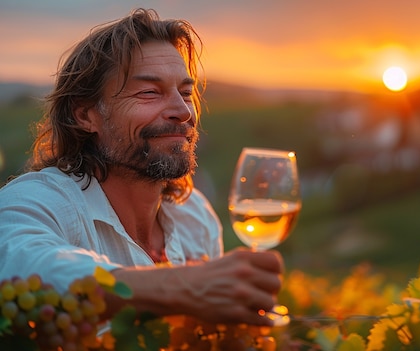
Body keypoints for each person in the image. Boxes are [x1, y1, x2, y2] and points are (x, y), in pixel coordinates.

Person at [0, 8, 283, 327]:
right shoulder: (35, 200)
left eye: (186, 93)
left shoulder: (196, 217)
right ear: (85, 116)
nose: (182, 111)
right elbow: (21, 266)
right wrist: (183, 285)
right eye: (150, 92)